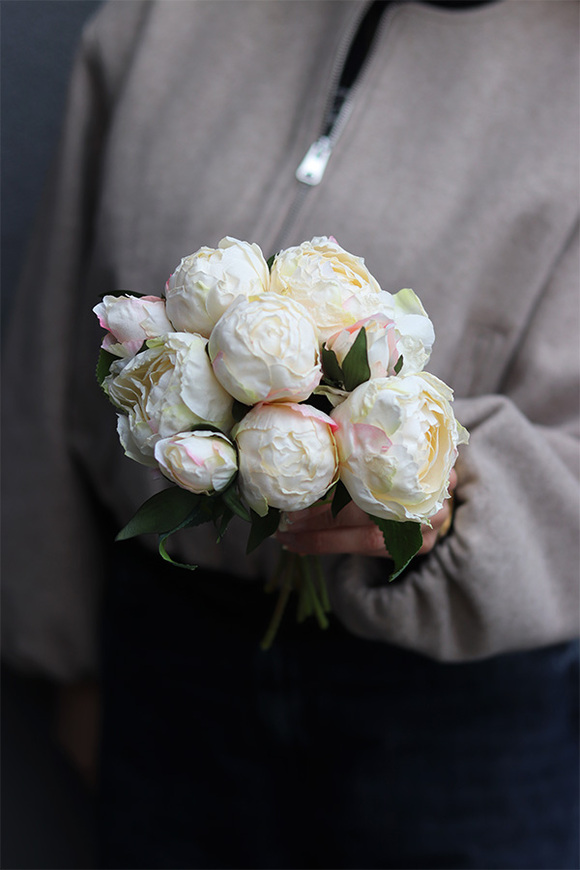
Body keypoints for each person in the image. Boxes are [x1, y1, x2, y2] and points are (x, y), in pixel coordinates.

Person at [3, 1, 578, 867]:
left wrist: (465, 502)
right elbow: (55, 347)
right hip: (168, 662)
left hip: (455, 718)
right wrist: (65, 655)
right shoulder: (168, 19)